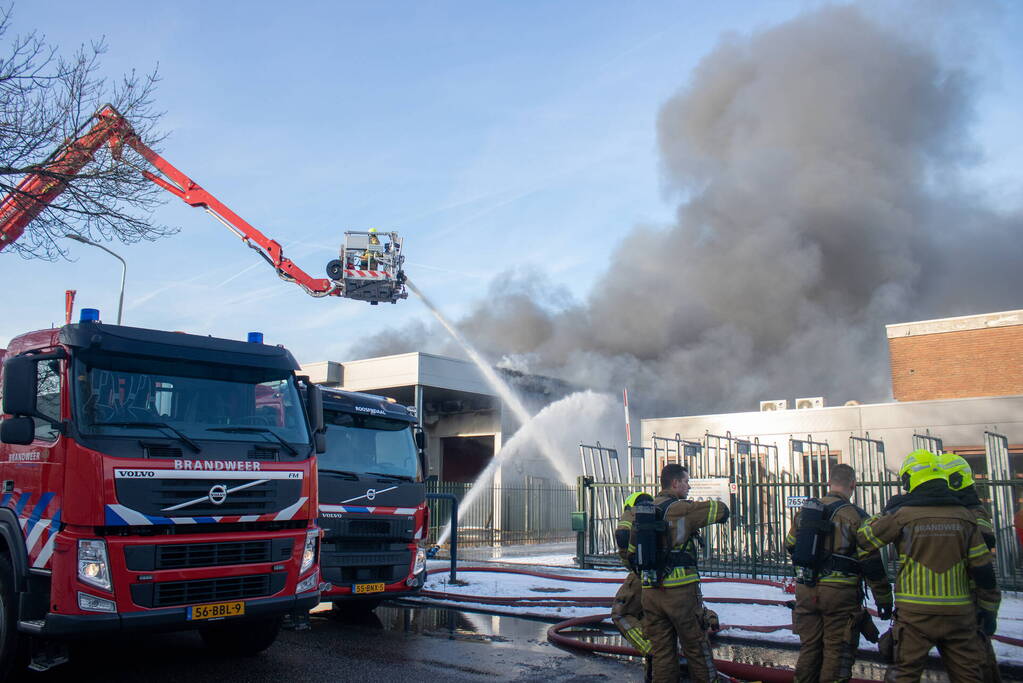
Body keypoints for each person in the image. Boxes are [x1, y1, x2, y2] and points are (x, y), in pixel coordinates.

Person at [857, 449, 1000, 683]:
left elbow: (865, 539)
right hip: (959, 614)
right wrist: (989, 610)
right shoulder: (965, 517)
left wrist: (886, 512)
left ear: (911, 479)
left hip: (914, 615)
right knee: (969, 675)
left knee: (904, 673)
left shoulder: (903, 515)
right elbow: (983, 570)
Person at [785, 464, 893, 683]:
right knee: (837, 653)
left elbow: (789, 544)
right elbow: (871, 562)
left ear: (828, 483)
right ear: (853, 484)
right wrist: (884, 598)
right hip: (839, 596)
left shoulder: (805, 513)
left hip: (806, 590)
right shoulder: (856, 516)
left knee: (810, 650)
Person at [631, 463, 729, 683]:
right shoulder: (681, 509)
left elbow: (630, 553)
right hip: (681, 594)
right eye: (686, 482)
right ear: (674, 483)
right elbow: (721, 510)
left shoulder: (643, 511)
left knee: (663, 655)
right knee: (697, 648)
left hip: (651, 594)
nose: (688, 486)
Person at [939, 452, 1001, 683]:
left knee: (977, 659)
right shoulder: (964, 509)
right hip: (961, 596)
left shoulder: (972, 511)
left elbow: (986, 542)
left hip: (971, 595)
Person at [613, 492, 654, 676]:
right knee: (653, 615)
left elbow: (622, 534)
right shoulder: (657, 511)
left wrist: (631, 559)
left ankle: (652, 651)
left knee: (621, 613)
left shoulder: (632, 512)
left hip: (641, 573)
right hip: (664, 572)